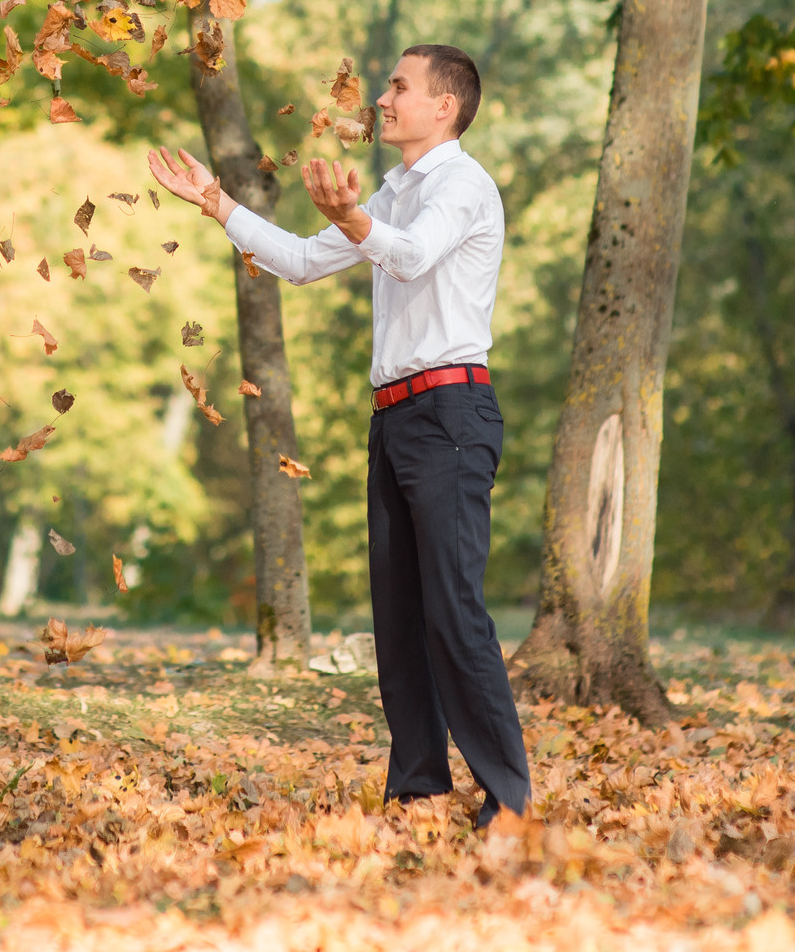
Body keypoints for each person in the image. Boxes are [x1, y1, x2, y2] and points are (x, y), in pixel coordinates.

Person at [147, 45, 530, 828]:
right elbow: (294, 261)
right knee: (398, 614)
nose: (383, 100)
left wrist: (355, 219)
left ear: (444, 106)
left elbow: (415, 257)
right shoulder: (394, 191)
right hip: (395, 417)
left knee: (454, 610)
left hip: (453, 414)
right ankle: (419, 787)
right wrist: (217, 201)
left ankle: (511, 796)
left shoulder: (461, 185)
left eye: (399, 87)